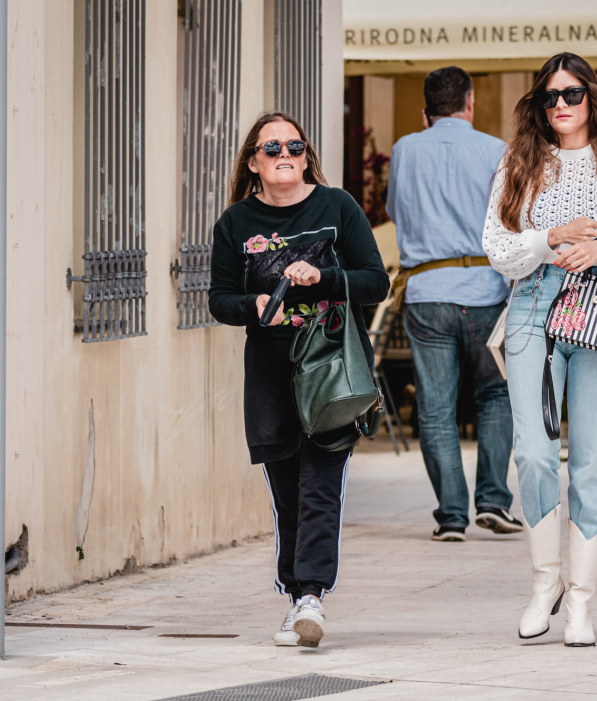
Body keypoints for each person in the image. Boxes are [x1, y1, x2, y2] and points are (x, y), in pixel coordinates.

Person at [483, 52, 597, 647]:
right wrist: (549, 237)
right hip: (533, 305)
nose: (560, 105)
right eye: (549, 97)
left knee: (590, 461)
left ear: (593, 98)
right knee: (532, 451)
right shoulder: (519, 162)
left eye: (572, 94)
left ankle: (581, 603)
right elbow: (496, 247)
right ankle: (544, 584)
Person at [209, 111, 389, 649]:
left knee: (320, 487)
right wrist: (252, 303)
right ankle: (297, 595)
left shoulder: (337, 208)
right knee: (287, 493)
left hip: (331, 368)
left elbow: (374, 282)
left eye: (294, 145)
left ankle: (311, 595)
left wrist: (324, 278)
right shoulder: (235, 224)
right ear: (253, 163)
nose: (285, 154)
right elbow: (218, 300)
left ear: (307, 154)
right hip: (269, 372)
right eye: (272, 148)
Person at [386, 66, 522, 543]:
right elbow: (512, 220)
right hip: (486, 289)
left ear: (425, 112)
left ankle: (451, 516)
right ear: (469, 103)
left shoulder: (404, 148)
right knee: (496, 394)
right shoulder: (495, 150)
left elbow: (394, 210)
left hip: (426, 291)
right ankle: (493, 500)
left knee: (436, 408)